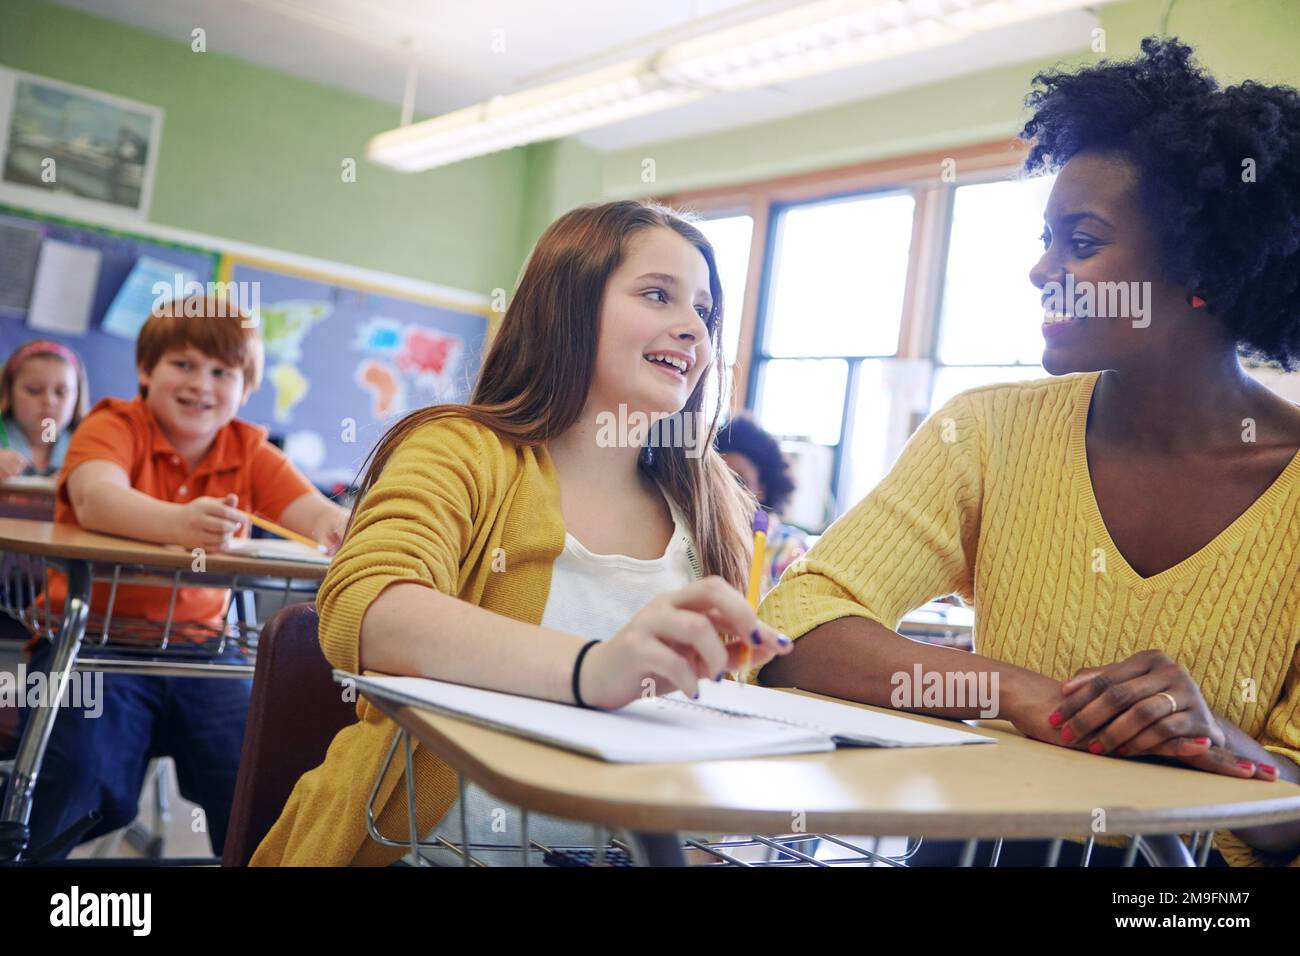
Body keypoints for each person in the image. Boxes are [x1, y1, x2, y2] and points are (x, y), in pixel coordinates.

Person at [759, 37, 1300, 867]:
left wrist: (1219, 747)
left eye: (1080, 242)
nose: (1040, 269)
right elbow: (796, 630)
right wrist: (1014, 690)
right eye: (1048, 238)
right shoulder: (986, 432)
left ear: (1204, 272)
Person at [253, 201, 791, 866]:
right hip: (424, 852)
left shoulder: (711, 502)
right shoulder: (461, 449)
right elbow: (367, 608)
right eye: (658, 295)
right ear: (568, 306)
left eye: (705, 314)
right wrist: (594, 669)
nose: (693, 330)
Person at [20, 296, 349, 859]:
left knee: (258, 771)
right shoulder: (113, 423)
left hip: (202, 649)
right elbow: (96, 499)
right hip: (92, 641)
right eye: (184, 364)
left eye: (222, 372)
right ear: (146, 370)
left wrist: (344, 528)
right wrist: (179, 522)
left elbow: (315, 513)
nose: (202, 383)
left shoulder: (247, 446)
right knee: (80, 773)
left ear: (244, 389)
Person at [715, 414, 809, 594]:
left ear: (762, 489)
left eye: (741, 481)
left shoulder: (790, 550)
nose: (729, 492)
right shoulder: (697, 539)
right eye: (720, 481)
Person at [0, 339, 88, 478]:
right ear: (9, 392)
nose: (49, 401)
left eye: (61, 392)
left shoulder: (90, 448)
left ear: (77, 398)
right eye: (34, 390)